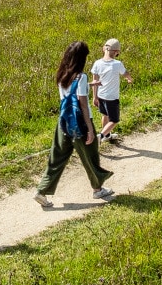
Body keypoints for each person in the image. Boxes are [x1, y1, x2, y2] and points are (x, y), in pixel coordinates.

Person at [35, 40, 115, 208]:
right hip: (80, 123)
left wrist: (88, 85)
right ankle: (97, 189)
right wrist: (90, 130)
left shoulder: (62, 74)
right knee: (90, 155)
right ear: (81, 58)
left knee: (57, 157)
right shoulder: (81, 76)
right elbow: (83, 104)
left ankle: (41, 191)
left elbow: (70, 92)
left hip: (64, 122)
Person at [90, 37, 131, 144]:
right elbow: (125, 73)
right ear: (116, 52)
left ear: (104, 49)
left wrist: (94, 97)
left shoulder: (97, 63)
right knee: (114, 120)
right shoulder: (117, 64)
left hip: (100, 95)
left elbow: (94, 81)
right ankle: (101, 136)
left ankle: (107, 135)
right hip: (112, 98)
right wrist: (129, 78)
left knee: (105, 115)